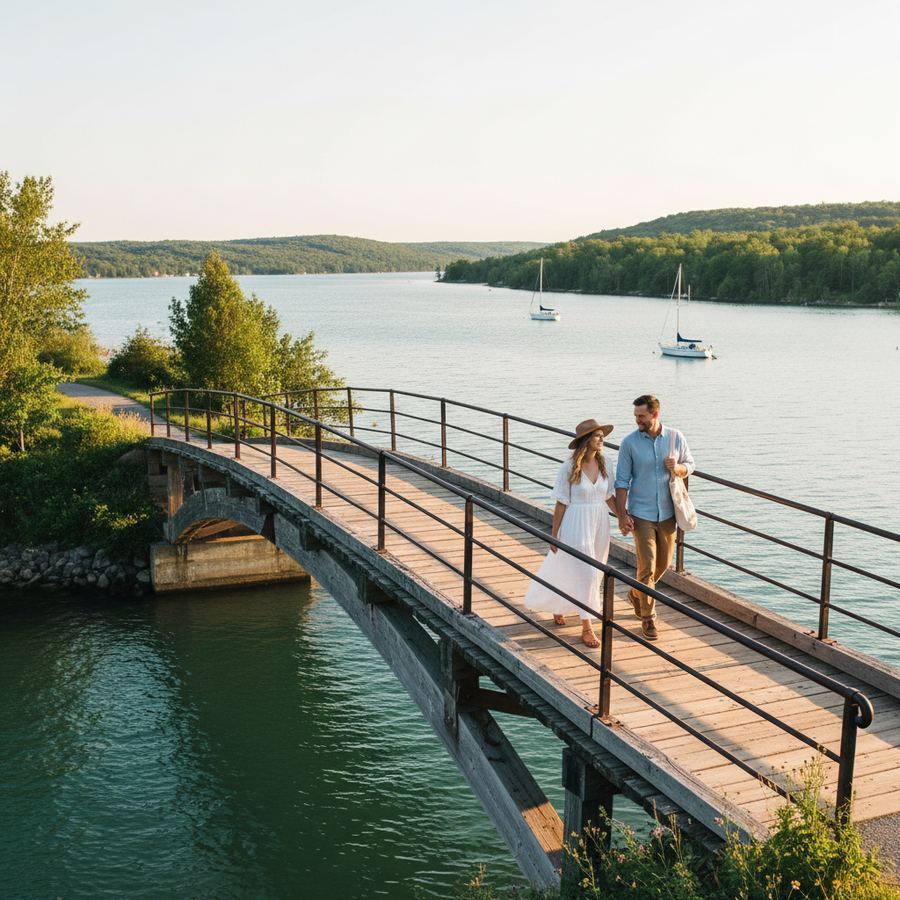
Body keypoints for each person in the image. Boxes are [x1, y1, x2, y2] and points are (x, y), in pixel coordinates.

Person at [525, 419, 620, 649]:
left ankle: (560, 604)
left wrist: (623, 517)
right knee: (585, 572)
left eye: (601, 435)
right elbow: (561, 502)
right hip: (576, 521)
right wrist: (554, 534)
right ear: (586, 440)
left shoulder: (606, 462)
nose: (601, 439)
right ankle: (587, 627)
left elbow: (609, 496)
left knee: (592, 570)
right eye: (597, 436)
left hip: (600, 522)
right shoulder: (569, 467)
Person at [615, 394, 695, 641]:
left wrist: (678, 468)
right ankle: (649, 618)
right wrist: (621, 515)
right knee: (647, 566)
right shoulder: (629, 443)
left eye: (642, 416)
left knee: (662, 565)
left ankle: (637, 594)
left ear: (655, 414)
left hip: (668, 513)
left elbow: (690, 464)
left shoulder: (675, 437)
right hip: (641, 513)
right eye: (636, 416)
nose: (637, 420)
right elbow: (621, 482)